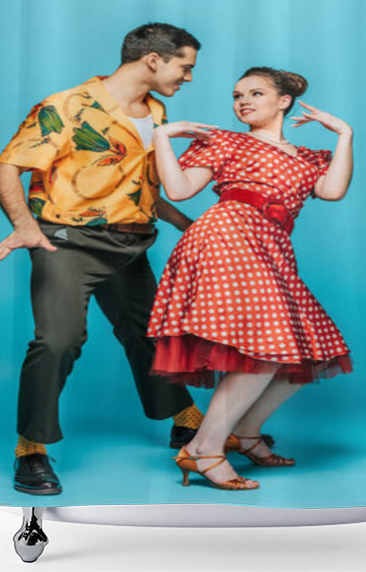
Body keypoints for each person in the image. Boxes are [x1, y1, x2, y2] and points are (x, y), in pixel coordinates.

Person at [0, 22, 220, 496]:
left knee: (149, 334)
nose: (190, 77)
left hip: (131, 243)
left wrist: (185, 224)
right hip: (68, 241)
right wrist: (25, 225)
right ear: (154, 59)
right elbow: (4, 167)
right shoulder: (67, 106)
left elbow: (140, 184)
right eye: (185, 66)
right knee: (58, 341)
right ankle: (31, 449)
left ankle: (184, 420)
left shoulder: (156, 111)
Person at [148, 66, 354, 490]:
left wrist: (344, 134)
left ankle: (244, 433)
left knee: (306, 350)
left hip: (271, 246)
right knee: (264, 350)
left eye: (256, 93)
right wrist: (162, 138)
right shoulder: (226, 141)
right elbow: (180, 189)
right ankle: (205, 450)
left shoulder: (311, 158)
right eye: (238, 95)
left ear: (283, 101)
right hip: (227, 237)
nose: (243, 101)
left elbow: (333, 191)